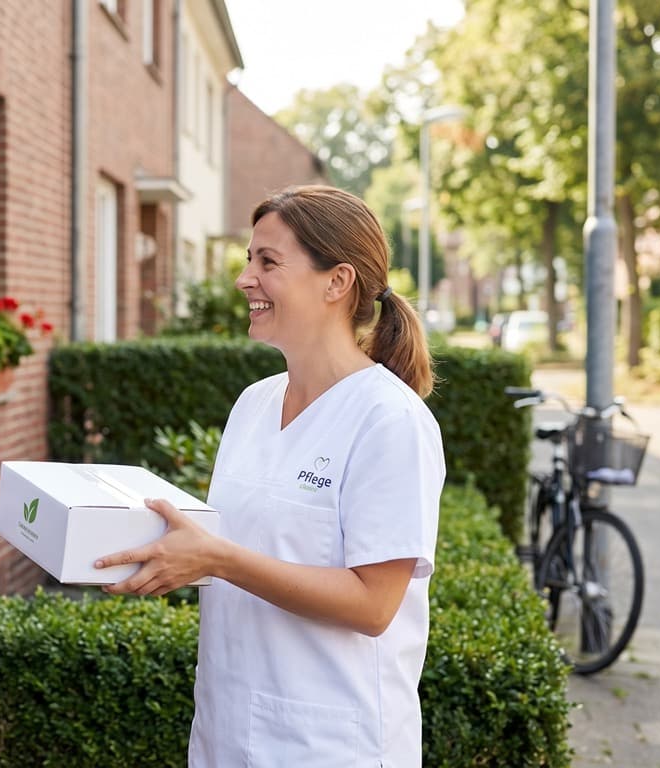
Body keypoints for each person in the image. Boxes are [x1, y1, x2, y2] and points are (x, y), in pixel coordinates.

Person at [97, 185, 445, 766]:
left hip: (330, 743)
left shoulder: (390, 420)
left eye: (268, 262)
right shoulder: (254, 404)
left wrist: (216, 559)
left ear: (337, 282)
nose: (244, 279)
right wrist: (160, 553)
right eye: (248, 258)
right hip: (225, 729)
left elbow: (372, 605)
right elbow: (241, 549)